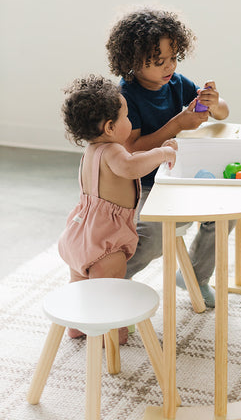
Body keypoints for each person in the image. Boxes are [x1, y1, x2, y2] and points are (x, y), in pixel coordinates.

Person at [106, 6, 231, 307]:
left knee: (226, 212)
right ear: (133, 63)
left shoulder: (177, 82)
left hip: (180, 172)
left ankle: (195, 275)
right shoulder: (127, 96)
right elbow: (132, 149)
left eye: (173, 58)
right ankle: (113, 280)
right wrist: (176, 124)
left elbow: (223, 114)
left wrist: (215, 104)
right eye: (158, 62)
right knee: (152, 237)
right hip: (147, 183)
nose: (169, 67)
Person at [58, 74, 176, 342]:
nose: (130, 122)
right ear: (110, 127)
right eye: (126, 117)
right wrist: (163, 154)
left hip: (80, 232)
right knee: (110, 292)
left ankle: (76, 327)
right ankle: (114, 335)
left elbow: (128, 162)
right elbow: (132, 165)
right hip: (106, 242)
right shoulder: (113, 151)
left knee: (80, 285)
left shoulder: (93, 150)